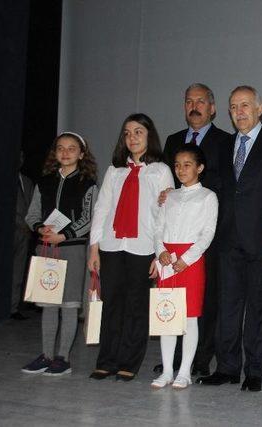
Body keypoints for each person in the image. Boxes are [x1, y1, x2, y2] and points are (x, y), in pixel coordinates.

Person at [197, 85, 262, 392]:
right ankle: (227, 367)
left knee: (260, 307)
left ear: (259, 108)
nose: (239, 112)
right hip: (227, 241)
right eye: (233, 107)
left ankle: (256, 369)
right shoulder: (224, 146)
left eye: (245, 106)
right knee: (227, 306)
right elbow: (211, 186)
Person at [88, 113, 174, 382]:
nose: (132, 137)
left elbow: (166, 214)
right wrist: (94, 248)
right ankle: (107, 360)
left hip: (144, 247)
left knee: (137, 306)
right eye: (127, 133)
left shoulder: (160, 170)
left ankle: (129, 362)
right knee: (112, 304)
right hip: (112, 245)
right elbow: (101, 209)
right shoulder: (116, 170)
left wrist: (159, 255)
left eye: (138, 132)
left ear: (149, 136)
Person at [157, 83, 230, 377]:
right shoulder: (173, 139)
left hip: (206, 237)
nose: (194, 106)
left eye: (201, 101)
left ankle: (199, 360)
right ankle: (171, 361)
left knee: (203, 303)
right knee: (169, 304)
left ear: (212, 107)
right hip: (172, 234)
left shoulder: (226, 141)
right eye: (189, 101)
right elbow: (166, 183)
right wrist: (165, 193)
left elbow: (226, 187)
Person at [21, 132, 98, 375]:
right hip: (46, 249)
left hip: (72, 250)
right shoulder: (44, 182)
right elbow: (31, 214)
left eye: (72, 148)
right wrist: (39, 228)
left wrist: (64, 235)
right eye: (61, 148)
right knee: (48, 304)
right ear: (55, 153)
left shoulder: (88, 183)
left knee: (68, 305)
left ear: (81, 154)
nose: (65, 152)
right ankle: (46, 355)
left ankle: (62, 357)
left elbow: (89, 218)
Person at [151, 144, 218, 389]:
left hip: (190, 261)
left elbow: (207, 233)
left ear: (200, 167)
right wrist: (161, 252)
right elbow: (158, 228)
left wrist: (186, 258)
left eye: (187, 164)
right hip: (167, 261)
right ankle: (167, 370)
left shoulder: (208, 196)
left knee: (189, 318)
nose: (181, 170)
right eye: (177, 165)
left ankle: (184, 371)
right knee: (166, 315)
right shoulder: (169, 196)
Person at [12, 152, 34, 320]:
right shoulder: (2, 180)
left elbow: (32, 208)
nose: (19, 160)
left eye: (21, 157)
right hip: (8, 232)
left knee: (19, 270)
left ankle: (13, 308)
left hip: (25, 233)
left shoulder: (27, 181)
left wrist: (31, 226)